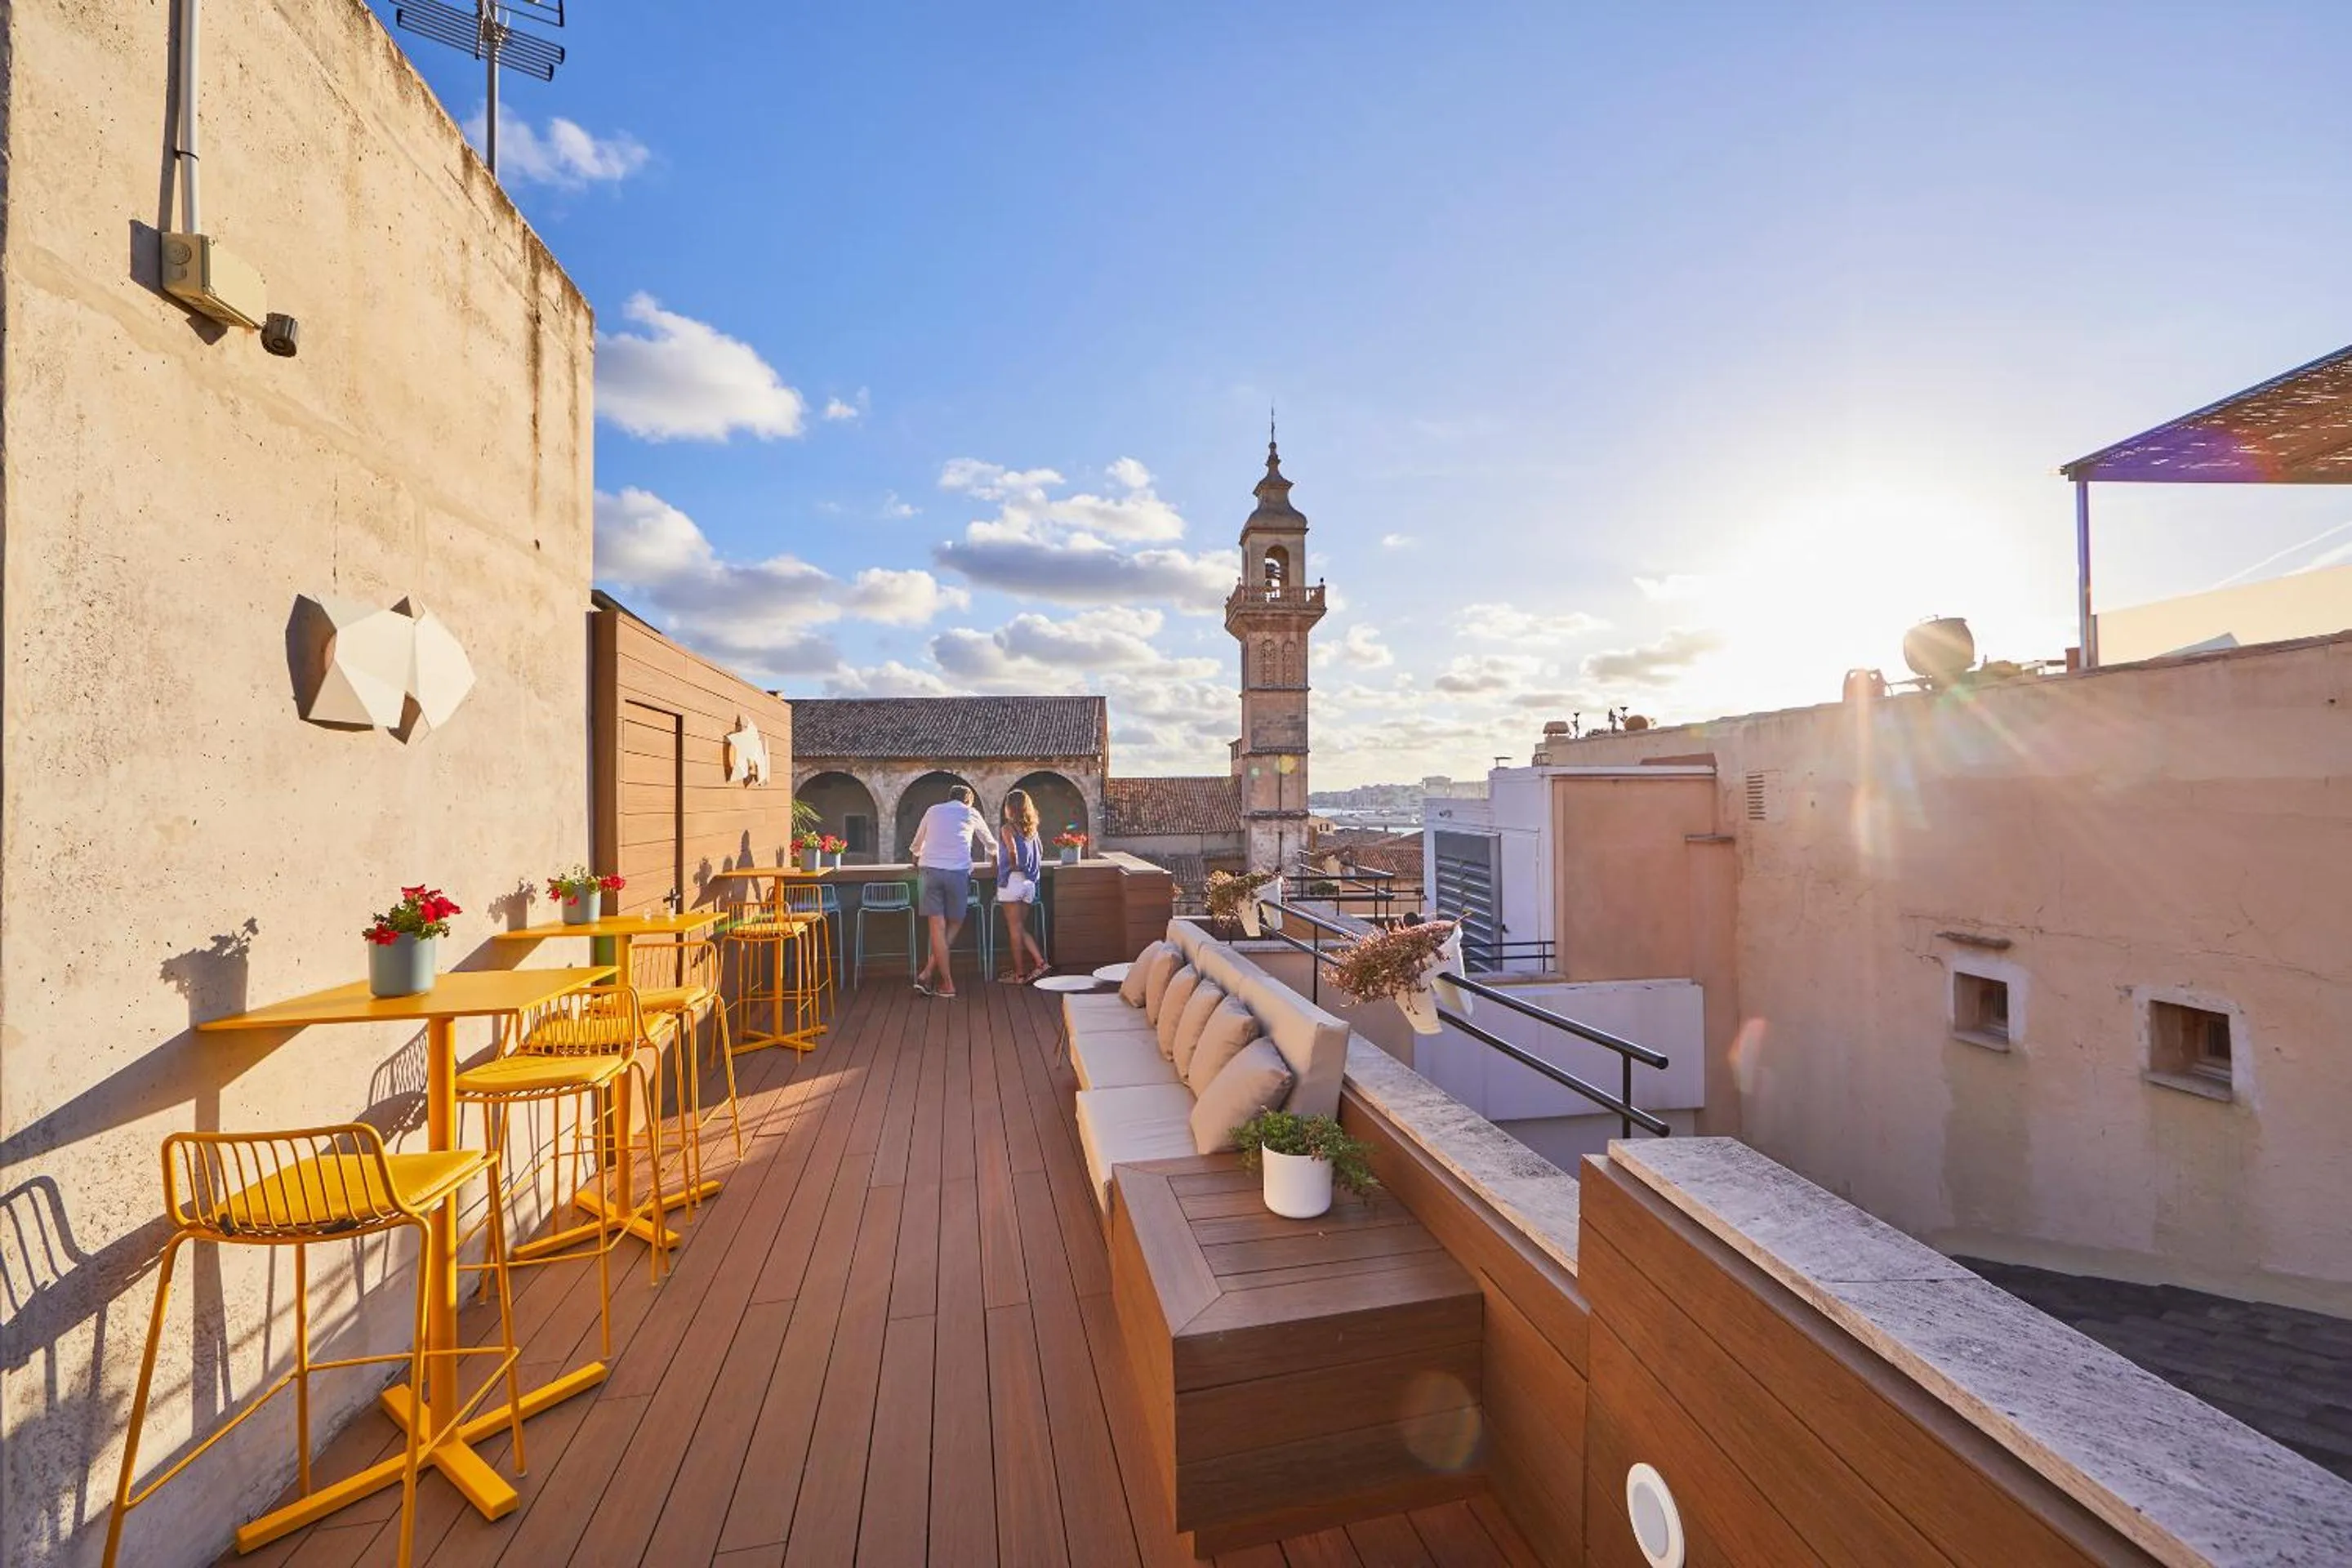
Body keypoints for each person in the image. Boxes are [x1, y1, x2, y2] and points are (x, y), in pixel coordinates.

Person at [907, 784, 995, 1000]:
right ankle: (944, 983)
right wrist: (995, 859)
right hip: (957, 872)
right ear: (969, 801)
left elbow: (918, 842)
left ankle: (930, 974)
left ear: (949, 798)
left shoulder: (933, 810)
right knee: (955, 922)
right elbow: (990, 843)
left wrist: (916, 858)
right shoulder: (971, 813)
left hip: (929, 870)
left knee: (937, 928)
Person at [994, 789, 1049, 983]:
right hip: (1030, 884)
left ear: (1010, 808)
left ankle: (1019, 975)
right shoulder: (1032, 830)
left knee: (1014, 929)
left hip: (1013, 881)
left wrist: (1013, 864)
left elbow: (1013, 853)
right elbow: (1040, 853)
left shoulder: (1007, 829)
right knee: (1019, 927)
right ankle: (1041, 963)